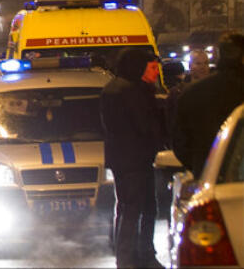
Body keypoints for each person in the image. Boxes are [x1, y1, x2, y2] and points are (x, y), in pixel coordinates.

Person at [100, 46, 164, 269]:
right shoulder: (132, 91)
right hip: (136, 159)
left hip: (122, 160)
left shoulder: (112, 88)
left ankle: (127, 256)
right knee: (139, 208)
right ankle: (137, 256)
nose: (155, 73)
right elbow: (145, 126)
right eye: (152, 68)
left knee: (127, 207)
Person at [172, 32, 244, 177]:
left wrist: (201, 166)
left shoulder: (191, 94)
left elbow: (180, 142)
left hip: (207, 177)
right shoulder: (185, 92)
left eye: (205, 63)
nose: (203, 67)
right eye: (199, 63)